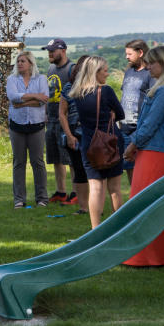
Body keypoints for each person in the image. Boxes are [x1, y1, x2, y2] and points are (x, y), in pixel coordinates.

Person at [122, 46, 164, 267]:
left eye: (152, 63)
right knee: (160, 204)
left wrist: (133, 145)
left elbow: (150, 124)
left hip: (154, 153)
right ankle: (160, 256)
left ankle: (142, 256)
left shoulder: (163, 92)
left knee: (143, 203)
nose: (148, 66)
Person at [69, 56, 126, 229]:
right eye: (105, 71)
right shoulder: (105, 91)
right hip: (110, 143)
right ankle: (117, 228)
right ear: (96, 72)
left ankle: (96, 229)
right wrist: (112, 113)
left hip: (89, 144)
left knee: (95, 188)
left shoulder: (77, 92)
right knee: (114, 189)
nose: (107, 74)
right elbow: (121, 114)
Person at [6, 50, 49, 209]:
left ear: (31, 63)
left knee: (37, 162)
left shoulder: (41, 79)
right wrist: (35, 96)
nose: (19, 63)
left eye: (23, 61)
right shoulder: (12, 79)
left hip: (36, 125)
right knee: (19, 162)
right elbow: (13, 97)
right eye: (18, 61)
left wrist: (24, 101)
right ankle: (19, 199)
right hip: (17, 125)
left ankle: (42, 199)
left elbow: (44, 99)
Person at [58, 55, 92, 217]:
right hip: (74, 135)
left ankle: (96, 206)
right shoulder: (69, 87)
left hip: (94, 136)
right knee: (79, 171)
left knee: (96, 173)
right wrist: (69, 136)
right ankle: (83, 207)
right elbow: (62, 113)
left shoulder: (97, 86)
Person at [42, 38, 74, 204]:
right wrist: (46, 112)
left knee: (71, 159)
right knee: (56, 158)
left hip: (66, 121)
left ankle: (76, 193)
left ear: (63, 51)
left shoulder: (72, 68)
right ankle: (61, 192)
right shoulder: (51, 69)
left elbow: (77, 93)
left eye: (53, 50)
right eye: (49, 51)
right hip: (52, 120)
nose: (50, 53)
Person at [120, 39, 153, 185]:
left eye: (129, 54)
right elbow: (125, 95)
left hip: (140, 128)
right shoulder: (128, 72)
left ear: (140, 52)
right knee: (129, 166)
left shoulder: (149, 73)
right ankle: (134, 195)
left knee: (143, 167)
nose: (126, 57)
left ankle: (143, 194)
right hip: (125, 128)